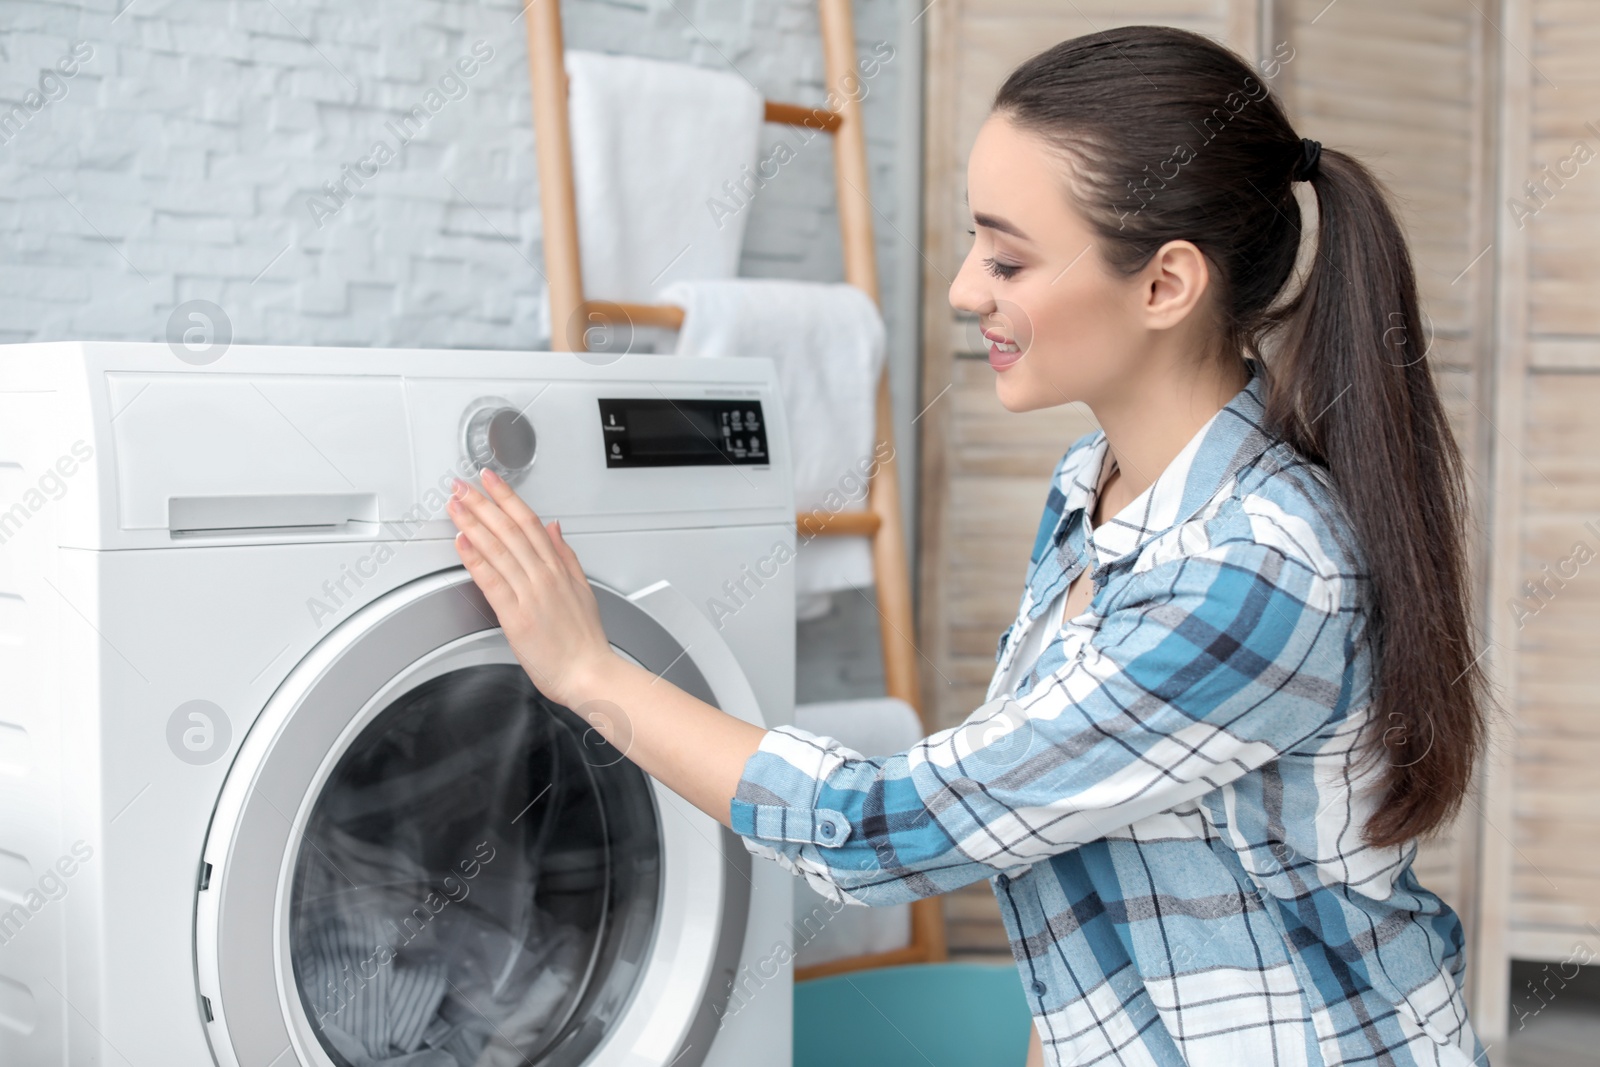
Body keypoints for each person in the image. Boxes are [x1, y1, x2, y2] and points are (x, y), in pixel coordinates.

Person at [444, 24, 1489, 1067]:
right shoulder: (1097, 486)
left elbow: (881, 826)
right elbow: (1065, 835)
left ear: (1165, 285)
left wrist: (589, 669)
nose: (961, 289)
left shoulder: (1248, 571)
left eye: (1007, 257)